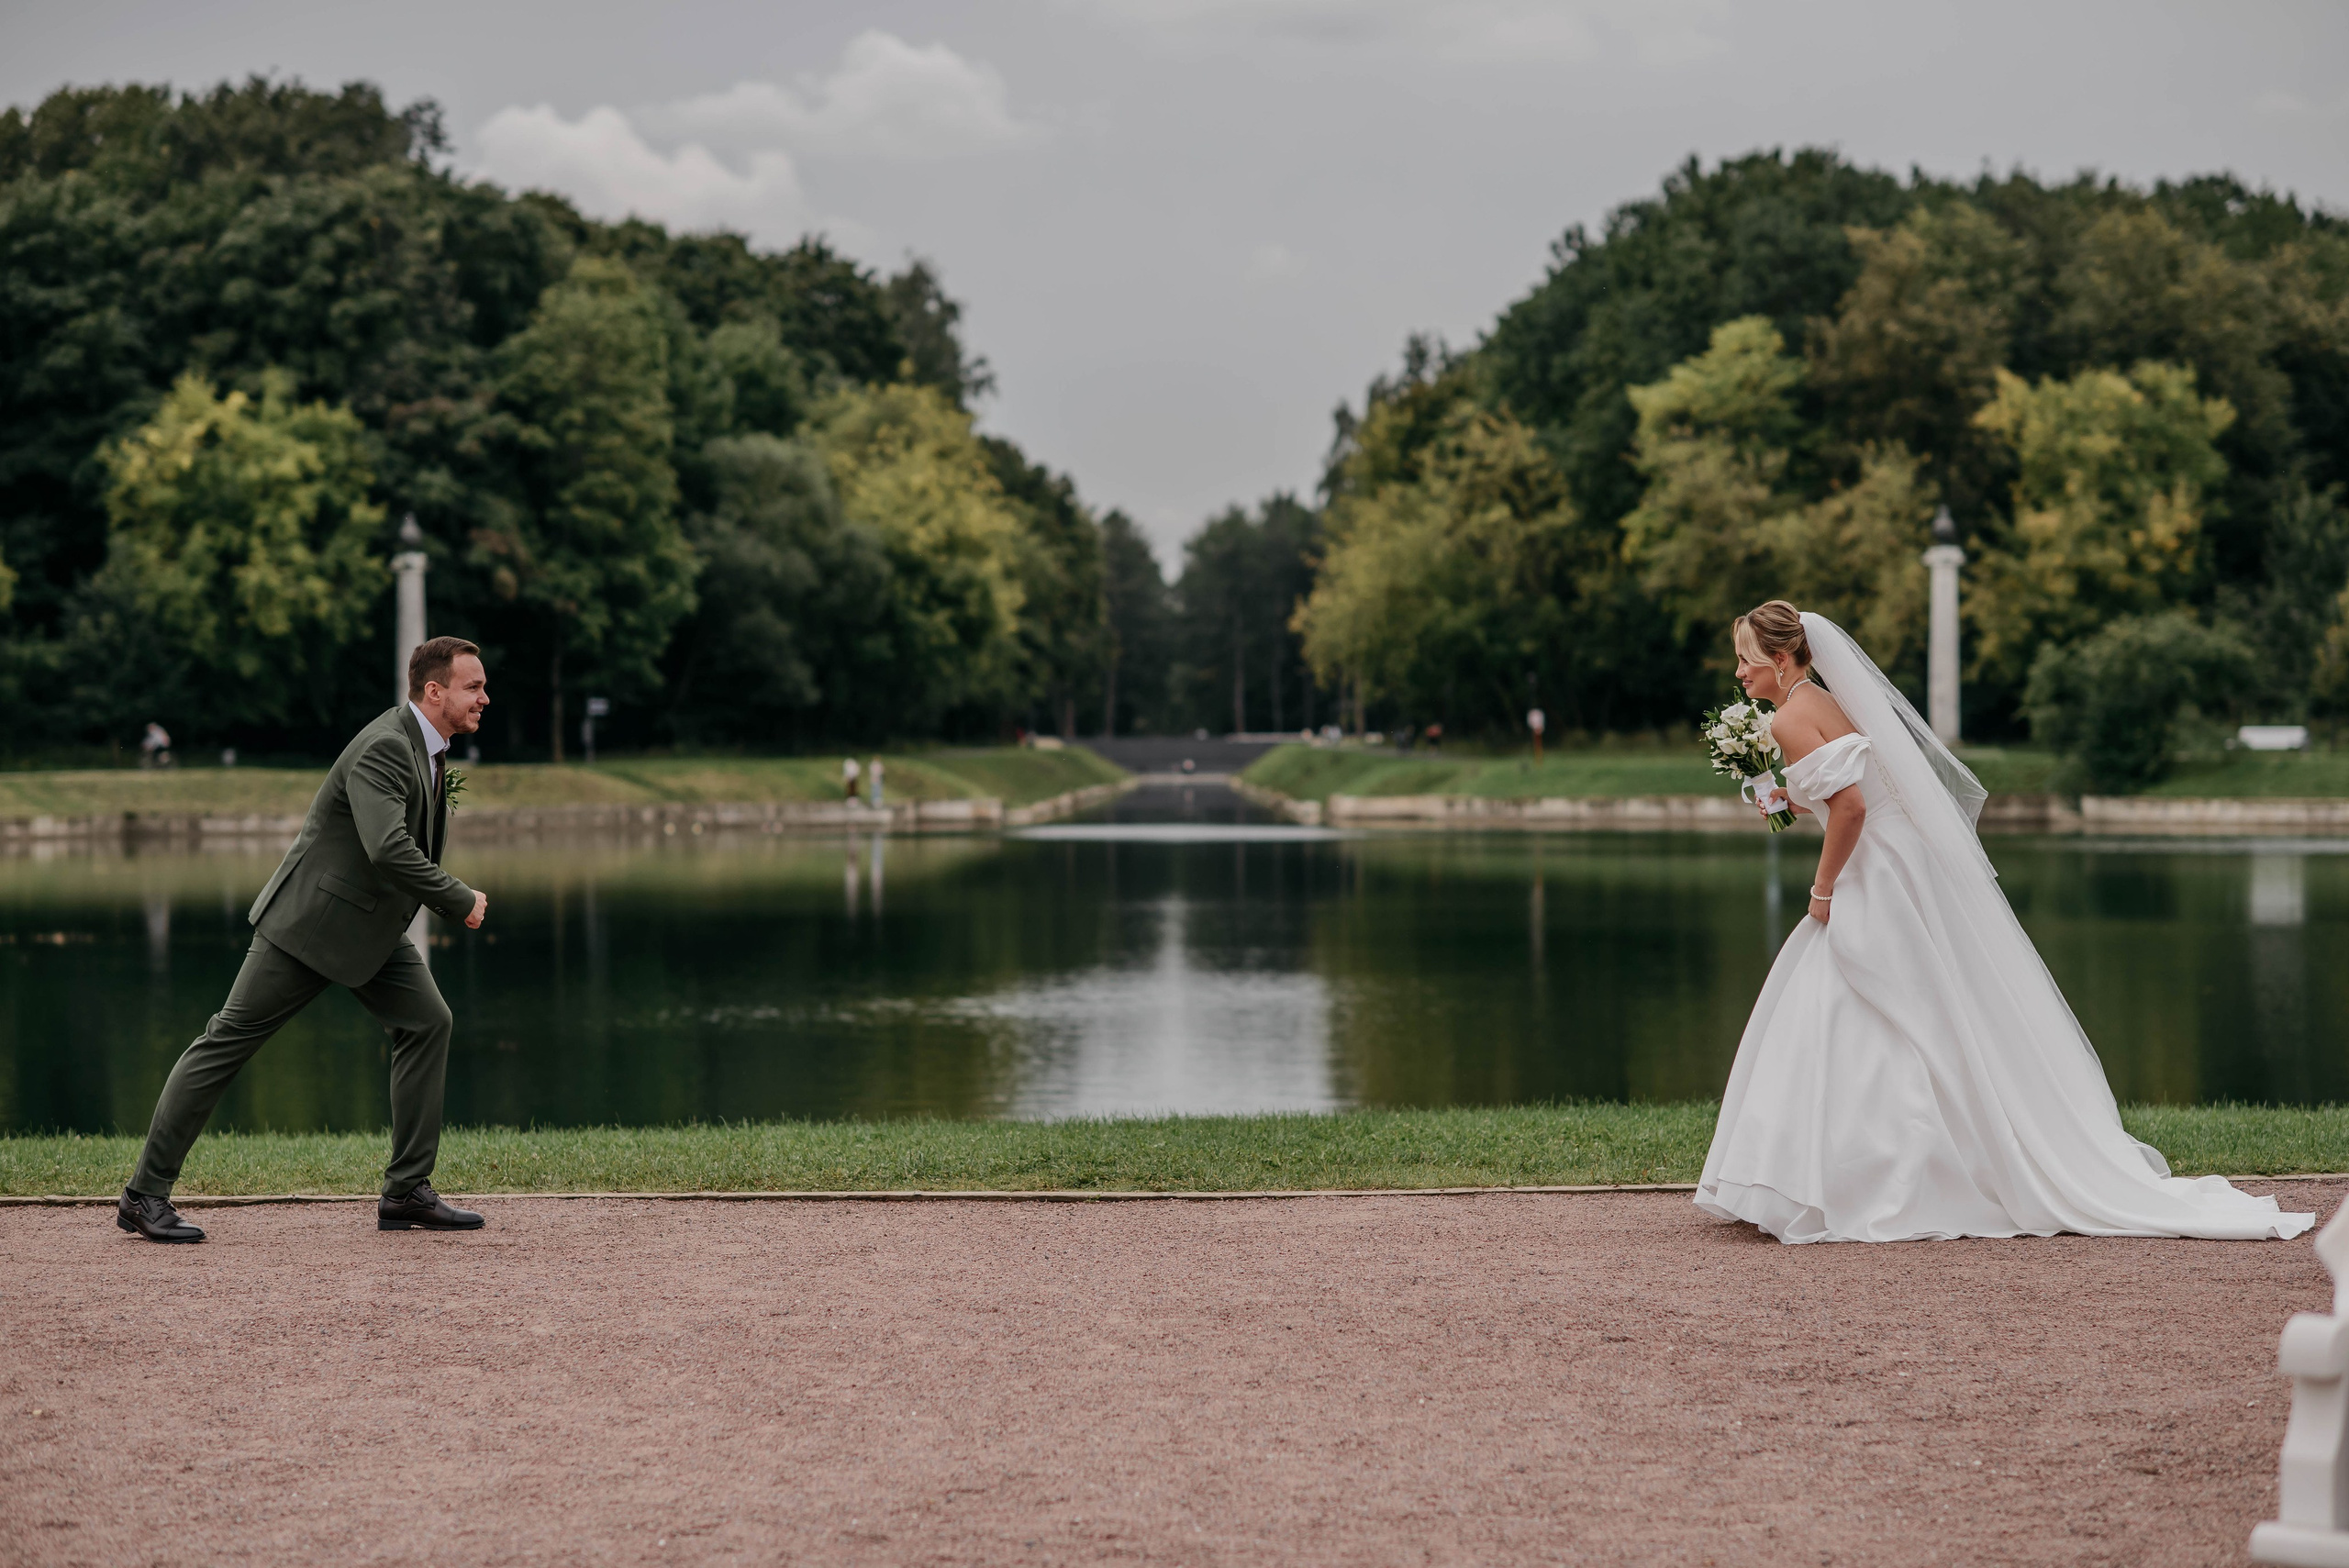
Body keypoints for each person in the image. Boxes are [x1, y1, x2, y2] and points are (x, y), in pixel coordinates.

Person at [1697, 600, 2312, 1244]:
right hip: (1900, 856)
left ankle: (1875, 1175)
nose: (1740, 671)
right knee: (1913, 999)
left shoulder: (1793, 716)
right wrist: (1773, 789)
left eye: (1747, 657)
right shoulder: (1820, 700)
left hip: (1872, 867)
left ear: (1782, 656)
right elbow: (1840, 787)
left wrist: (1822, 888)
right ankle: (1878, 1164)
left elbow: (1848, 808)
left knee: (1876, 994)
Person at [116, 637, 495, 1244]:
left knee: (429, 1022)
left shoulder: (428, 749)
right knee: (225, 1044)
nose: (485, 697)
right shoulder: (385, 747)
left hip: (368, 928)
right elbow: (387, 847)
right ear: (434, 690)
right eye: (474, 686)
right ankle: (143, 1195)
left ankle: (405, 1191)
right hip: (310, 925)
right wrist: (456, 897)